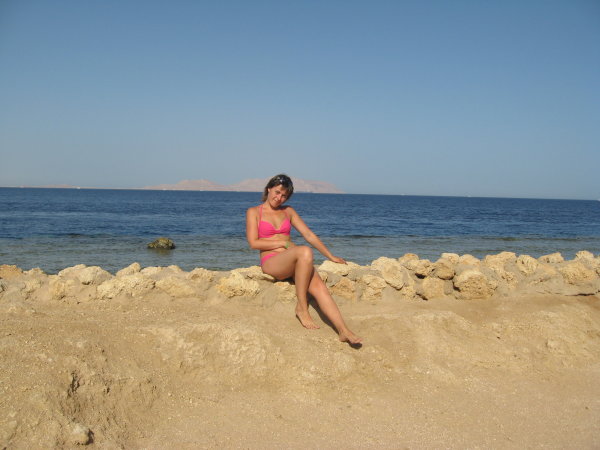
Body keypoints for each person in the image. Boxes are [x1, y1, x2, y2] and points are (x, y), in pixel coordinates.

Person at [246, 174, 362, 345]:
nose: (279, 198)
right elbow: (253, 243)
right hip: (272, 262)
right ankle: (302, 307)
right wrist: (284, 243)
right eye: (277, 192)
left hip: (293, 261)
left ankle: (343, 330)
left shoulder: (288, 211)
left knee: (319, 286)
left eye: (284, 195)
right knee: (305, 251)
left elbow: (308, 234)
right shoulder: (254, 212)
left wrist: (330, 256)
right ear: (269, 189)